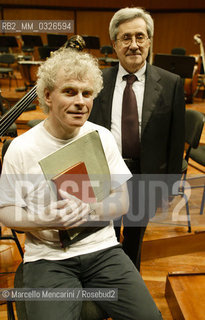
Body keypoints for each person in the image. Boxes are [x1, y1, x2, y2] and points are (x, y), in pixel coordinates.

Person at [0, 48, 163, 320]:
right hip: (48, 258)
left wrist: (89, 212)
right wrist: (42, 219)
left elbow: (122, 200)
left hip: (102, 250)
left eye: (87, 94)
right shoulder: (20, 148)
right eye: (70, 91)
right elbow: (6, 210)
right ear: (48, 96)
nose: (80, 102)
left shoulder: (103, 136)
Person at [89, 7, 185, 270]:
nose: (134, 45)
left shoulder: (171, 83)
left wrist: (170, 185)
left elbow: (176, 141)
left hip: (145, 175)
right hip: (104, 175)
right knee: (102, 237)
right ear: (114, 44)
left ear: (150, 41)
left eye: (140, 37)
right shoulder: (97, 82)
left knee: (133, 241)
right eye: (126, 38)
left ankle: (128, 295)